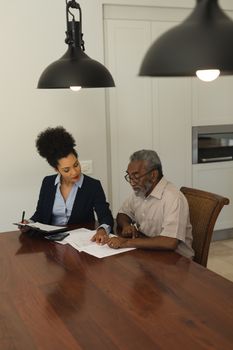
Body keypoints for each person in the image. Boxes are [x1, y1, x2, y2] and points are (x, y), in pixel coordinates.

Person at [21, 126, 113, 243]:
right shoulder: (47, 183)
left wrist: (102, 230)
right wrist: (29, 223)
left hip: (80, 243)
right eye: (66, 170)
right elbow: (40, 214)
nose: (74, 172)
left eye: (76, 165)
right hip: (50, 243)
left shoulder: (92, 186)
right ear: (56, 169)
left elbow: (105, 216)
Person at [107, 150, 194, 258]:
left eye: (136, 176)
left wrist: (125, 242)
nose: (131, 182)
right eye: (129, 176)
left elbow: (169, 242)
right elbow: (122, 214)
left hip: (176, 261)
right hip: (149, 252)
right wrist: (126, 225)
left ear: (153, 175)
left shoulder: (173, 198)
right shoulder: (141, 192)